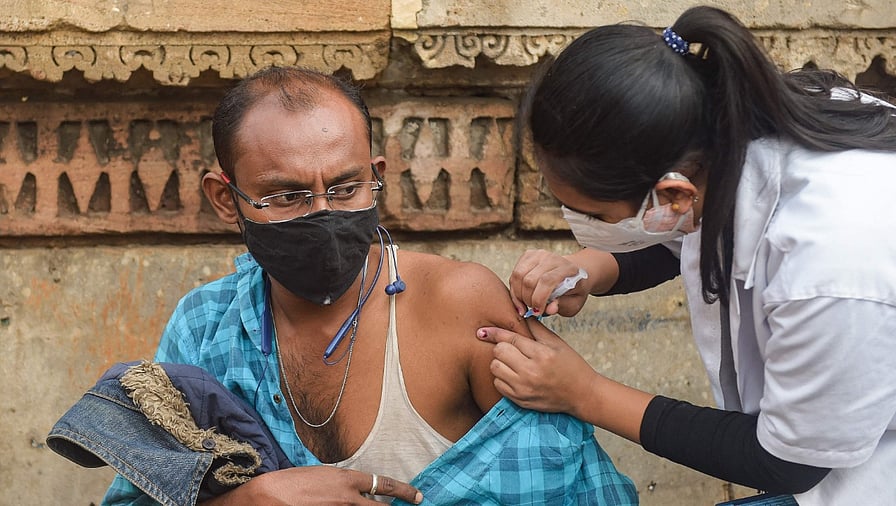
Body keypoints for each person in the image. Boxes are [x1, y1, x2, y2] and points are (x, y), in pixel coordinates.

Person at [101, 66, 638, 505]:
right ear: (226, 199)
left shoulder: (460, 303)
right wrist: (251, 500)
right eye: (286, 196)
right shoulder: (206, 326)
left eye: (345, 187)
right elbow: (142, 495)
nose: (323, 214)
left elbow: (572, 491)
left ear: (376, 175)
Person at [476, 5, 896, 506]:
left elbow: (788, 461)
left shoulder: (832, 260)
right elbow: (687, 239)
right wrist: (587, 270)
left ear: (672, 195)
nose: (592, 228)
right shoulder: (724, 134)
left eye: (601, 215)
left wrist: (584, 393)